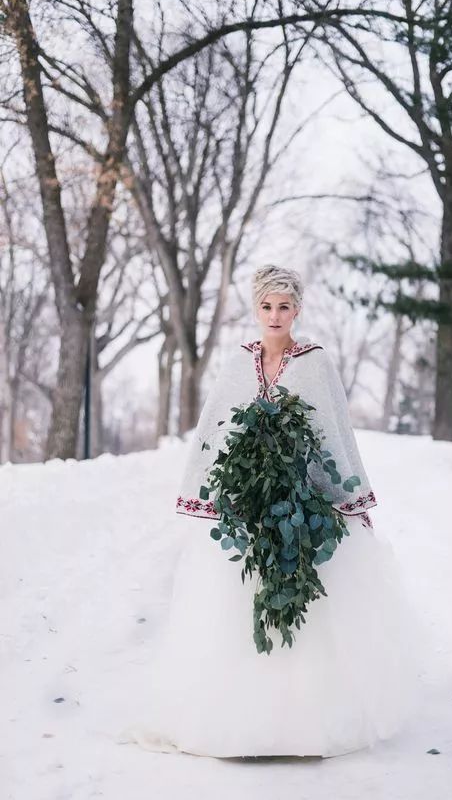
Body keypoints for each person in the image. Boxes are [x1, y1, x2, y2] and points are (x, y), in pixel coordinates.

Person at [119, 264, 420, 758]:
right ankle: (240, 720)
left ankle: (304, 723)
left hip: (303, 505)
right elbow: (215, 426)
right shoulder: (238, 363)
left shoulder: (315, 363)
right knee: (240, 601)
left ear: (297, 310)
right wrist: (219, 485)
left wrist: (346, 500)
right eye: (266, 306)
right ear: (255, 309)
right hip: (248, 504)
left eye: (284, 306)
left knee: (305, 607)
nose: (275, 315)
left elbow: (333, 433)